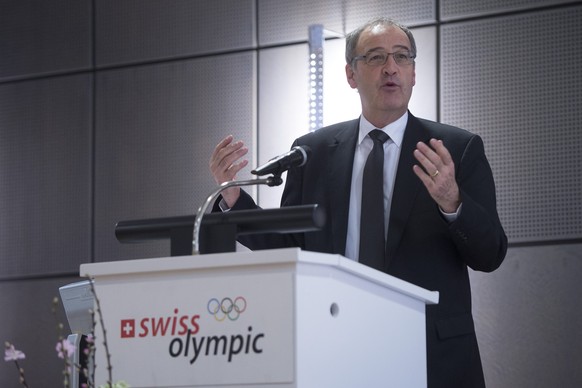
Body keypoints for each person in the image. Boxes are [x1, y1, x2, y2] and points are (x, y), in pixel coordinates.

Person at [209, 17, 507, 388]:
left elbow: (490, 253)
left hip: (431, 353)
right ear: (351, 75)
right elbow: (290, 246)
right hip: (339, 348)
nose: (391, 68)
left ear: (413, 73)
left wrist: (452, 202)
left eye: (402, 57)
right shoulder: (312, 151)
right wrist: (234, 200)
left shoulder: (455, 149)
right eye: (376, 57)